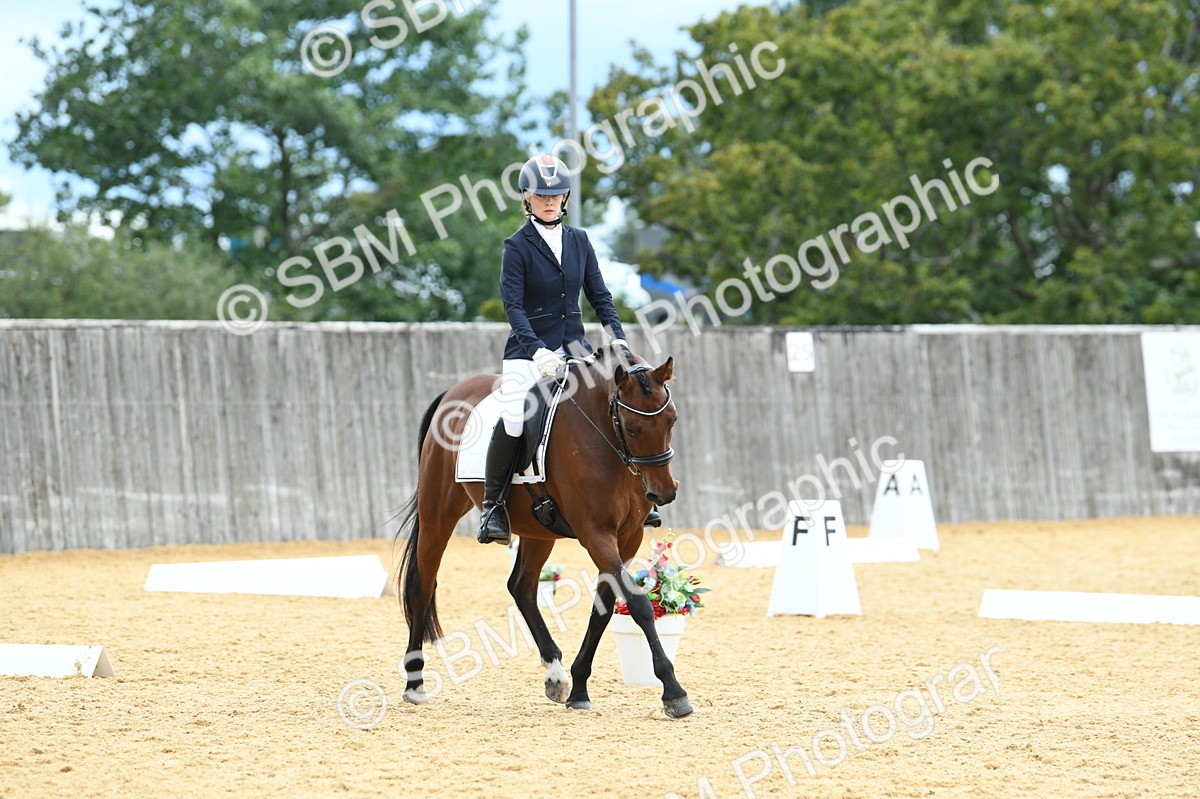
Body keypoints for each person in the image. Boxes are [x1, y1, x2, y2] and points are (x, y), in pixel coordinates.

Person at [477, 153, 659, 544]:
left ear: (565, 197)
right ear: (526, 198)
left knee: (621, 401)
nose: (548, 201)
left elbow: (600, 295)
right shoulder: (516, 246)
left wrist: (618, 338)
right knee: (514, 415)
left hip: (576, 345)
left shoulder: (579, 240)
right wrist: (538, 350)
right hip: (528, 351)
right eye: (540, 195)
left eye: (555, 195)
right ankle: (494, 507)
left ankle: (643, 493)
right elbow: (514, 306)